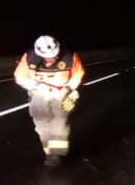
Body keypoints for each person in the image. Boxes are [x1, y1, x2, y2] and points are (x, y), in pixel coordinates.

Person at [14, 35, 85, 167]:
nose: (52, 60)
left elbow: (77, 74)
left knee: (59, 123)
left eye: (55, 56)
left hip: (61, 93)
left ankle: (56, 154)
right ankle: (50, 153)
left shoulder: (70, 57)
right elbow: (19, 76)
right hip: (39, 93)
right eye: (48, 58)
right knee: (42, 124)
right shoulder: (29, 57)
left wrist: (67, 89)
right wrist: (38, 86)